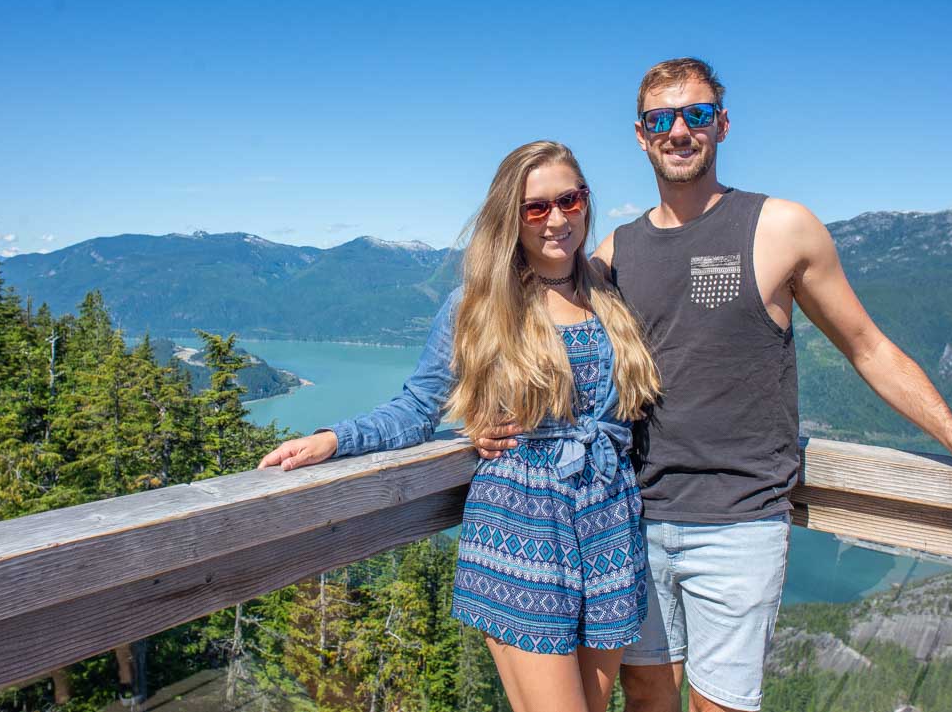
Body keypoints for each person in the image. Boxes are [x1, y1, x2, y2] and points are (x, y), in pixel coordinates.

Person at [473, 59, 952, 712]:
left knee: (722, 705)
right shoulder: (615, 254)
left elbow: (868, 345)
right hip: (635, 517)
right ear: (640, 133)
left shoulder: (779, 227)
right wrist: (491, 416)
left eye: (697, 114)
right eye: (661, 118)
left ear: (722, 123)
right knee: (648, 690)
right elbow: (532, 309)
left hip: (739, 523)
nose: (679, 130)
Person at [258, 140, 661, 712]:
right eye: (535, 208)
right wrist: (334, 439)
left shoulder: (608, 298)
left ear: (585, 201)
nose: (556, 219)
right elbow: (419, 406)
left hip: (608, 527)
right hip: (524, 528)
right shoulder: (478, 304)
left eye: (569, 200)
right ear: (510, 217)